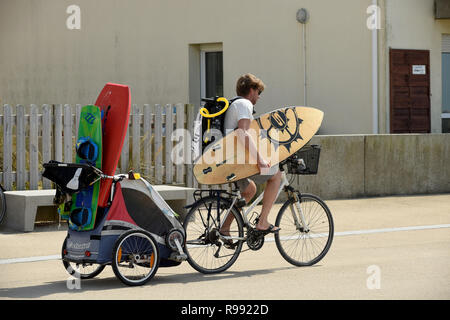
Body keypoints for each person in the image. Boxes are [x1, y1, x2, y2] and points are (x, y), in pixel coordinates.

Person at [220, 73, 282, 240]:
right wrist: (260, 160)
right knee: (276, 176)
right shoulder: (244, 104)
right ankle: (263, 222)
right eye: (259, 92)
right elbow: (243, 133)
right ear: (252, 90)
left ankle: (224, 229)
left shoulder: (235, 103)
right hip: (235, 160)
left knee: (249, 190)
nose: (259, 97)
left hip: (228, 159)